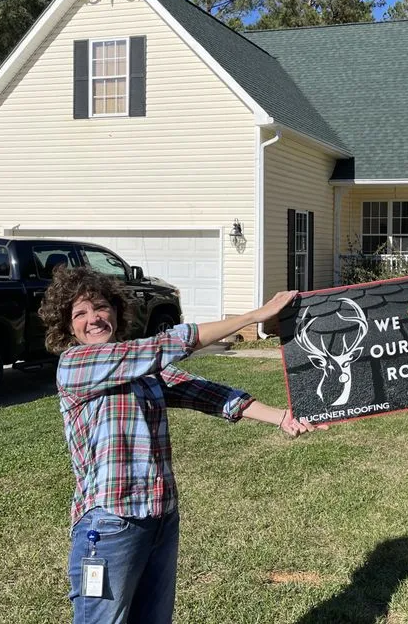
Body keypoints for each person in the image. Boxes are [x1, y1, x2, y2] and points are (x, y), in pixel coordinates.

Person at [39, 266, 324, 623]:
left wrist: (281, 416)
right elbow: (171, 343)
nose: (93, 319)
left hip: (161, 516)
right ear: (67, 328)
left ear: (115, 311)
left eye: (100, 307)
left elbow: (207, 394)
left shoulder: (141, 367)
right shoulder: (75, 364)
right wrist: (254, 316)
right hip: (111, 524)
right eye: (80, 313)